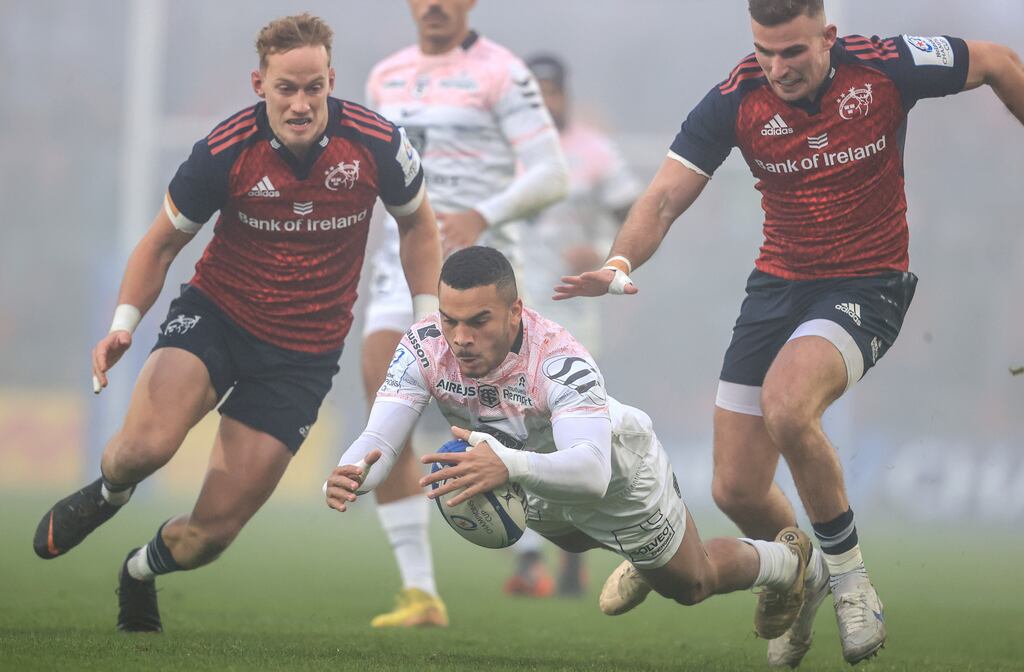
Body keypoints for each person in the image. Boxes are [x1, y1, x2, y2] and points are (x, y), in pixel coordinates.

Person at [554, 0, 1024, 666]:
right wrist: (619, 261)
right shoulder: (736, 99)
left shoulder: (887, 66)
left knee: (787, 406)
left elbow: (1001, 61)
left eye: (793, 52)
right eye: (765, 51)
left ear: (827, 37)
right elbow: (661, 197)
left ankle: (854, 583)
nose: (777, 68)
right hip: (776, 291)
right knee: (736, 489)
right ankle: (799, 579)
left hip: (869, 284)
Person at [31, 13, 441, 633]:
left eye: (314, 88)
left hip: (301, 359)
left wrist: (426, 319)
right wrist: (123, 323)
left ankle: (138, 570)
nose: (301, 104)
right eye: (286, 88)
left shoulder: (378, 143)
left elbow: (419, 224)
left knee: (210, 536)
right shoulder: (224, 151)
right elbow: (160, 246)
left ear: (331, 80)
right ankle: (109, 494)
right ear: (259, 84)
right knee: (141, 450)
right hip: (217, 318)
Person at [325, 245, 824, 643]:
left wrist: (506, 463)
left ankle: (787, 562)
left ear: (515, 311)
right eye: (450, 321)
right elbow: (378, 438)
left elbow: (591, 473)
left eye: (479, 321)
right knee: (574, 539)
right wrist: (353, 472)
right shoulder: (421, 345)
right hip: (528, 472)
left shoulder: (559, 359)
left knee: (692, 584)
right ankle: (639, 556)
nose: (460, 338)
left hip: (614, 469)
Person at [357, 0, 568, 627]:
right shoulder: (384, 77)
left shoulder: (501, 71)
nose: (436, 6)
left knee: (520, 427)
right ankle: (420, 591)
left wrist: (484, 213)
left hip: (485, 274)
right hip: (404, 269)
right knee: (383, 402)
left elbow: (553, 173)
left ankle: (572, 537)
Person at [503, 54, 643, 598]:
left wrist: (608, 252)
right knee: (516, 426)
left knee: (571, 433)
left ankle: (574, 552)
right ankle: (531, 558)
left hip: (573, 313)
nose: (542, 103)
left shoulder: (594, 152)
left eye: (549, 93)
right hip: (514, 310)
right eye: (531, 94)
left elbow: (638, 212)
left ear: (564, 95)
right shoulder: (506, 153)